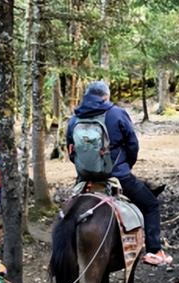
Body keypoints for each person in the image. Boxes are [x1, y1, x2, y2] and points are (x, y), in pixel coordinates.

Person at [66, 81, 173, 266]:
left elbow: (71, 150)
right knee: (151, 205)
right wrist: (125, 167)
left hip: (85, 178)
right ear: (105, 96)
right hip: (118, 176)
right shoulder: (116, 113)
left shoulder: (74, 120)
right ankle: (154, 251)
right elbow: (133, 144)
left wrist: (84, 169)